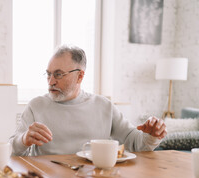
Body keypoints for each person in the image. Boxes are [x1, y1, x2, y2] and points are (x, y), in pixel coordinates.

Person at [10, 45, 167, 156]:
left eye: (58, 74)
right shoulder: (36, 106)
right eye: (48, 74)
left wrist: (152, 136)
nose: (50, 81)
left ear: (80, 76)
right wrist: (24, 139)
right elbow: (11, 149)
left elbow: (135, 143)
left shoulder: (103, 106)